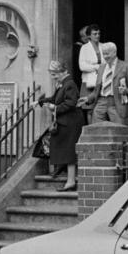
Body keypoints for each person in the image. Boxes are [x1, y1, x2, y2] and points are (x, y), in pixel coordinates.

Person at [37, 59, 84, 192]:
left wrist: (55, 108)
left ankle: (70, 181)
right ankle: (68, 178)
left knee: (69, 151)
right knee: (66, 150)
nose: (53, 77)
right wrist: (40, 102)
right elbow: (54, 99)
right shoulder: (63, 84)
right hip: (66, 122)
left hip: (71, 122)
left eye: (54, 74)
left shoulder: (70, 84)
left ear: (62, 72)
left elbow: (71, 103)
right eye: (52, 74)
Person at [83, 41, 128, 125]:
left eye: (107, 54)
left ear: (114, 53)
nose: (105, 56)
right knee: (96, 128)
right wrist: (88, 99)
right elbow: (97, 89)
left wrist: (126, 91)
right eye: (103, 54)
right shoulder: (101, 67)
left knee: (119, 129)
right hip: (101, 102)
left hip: (116, 102)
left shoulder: (125, 66)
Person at [77, 23, 103, 124]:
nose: (97, 36)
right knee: (90, 109)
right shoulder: (84, 48)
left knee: (101, 109)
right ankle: (91, 130)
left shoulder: (103, 46)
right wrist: (96, 67)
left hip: (101, 81)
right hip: (88, 82)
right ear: (89, 36)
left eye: (98, 33)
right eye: (95, 34)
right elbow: (82, 66)